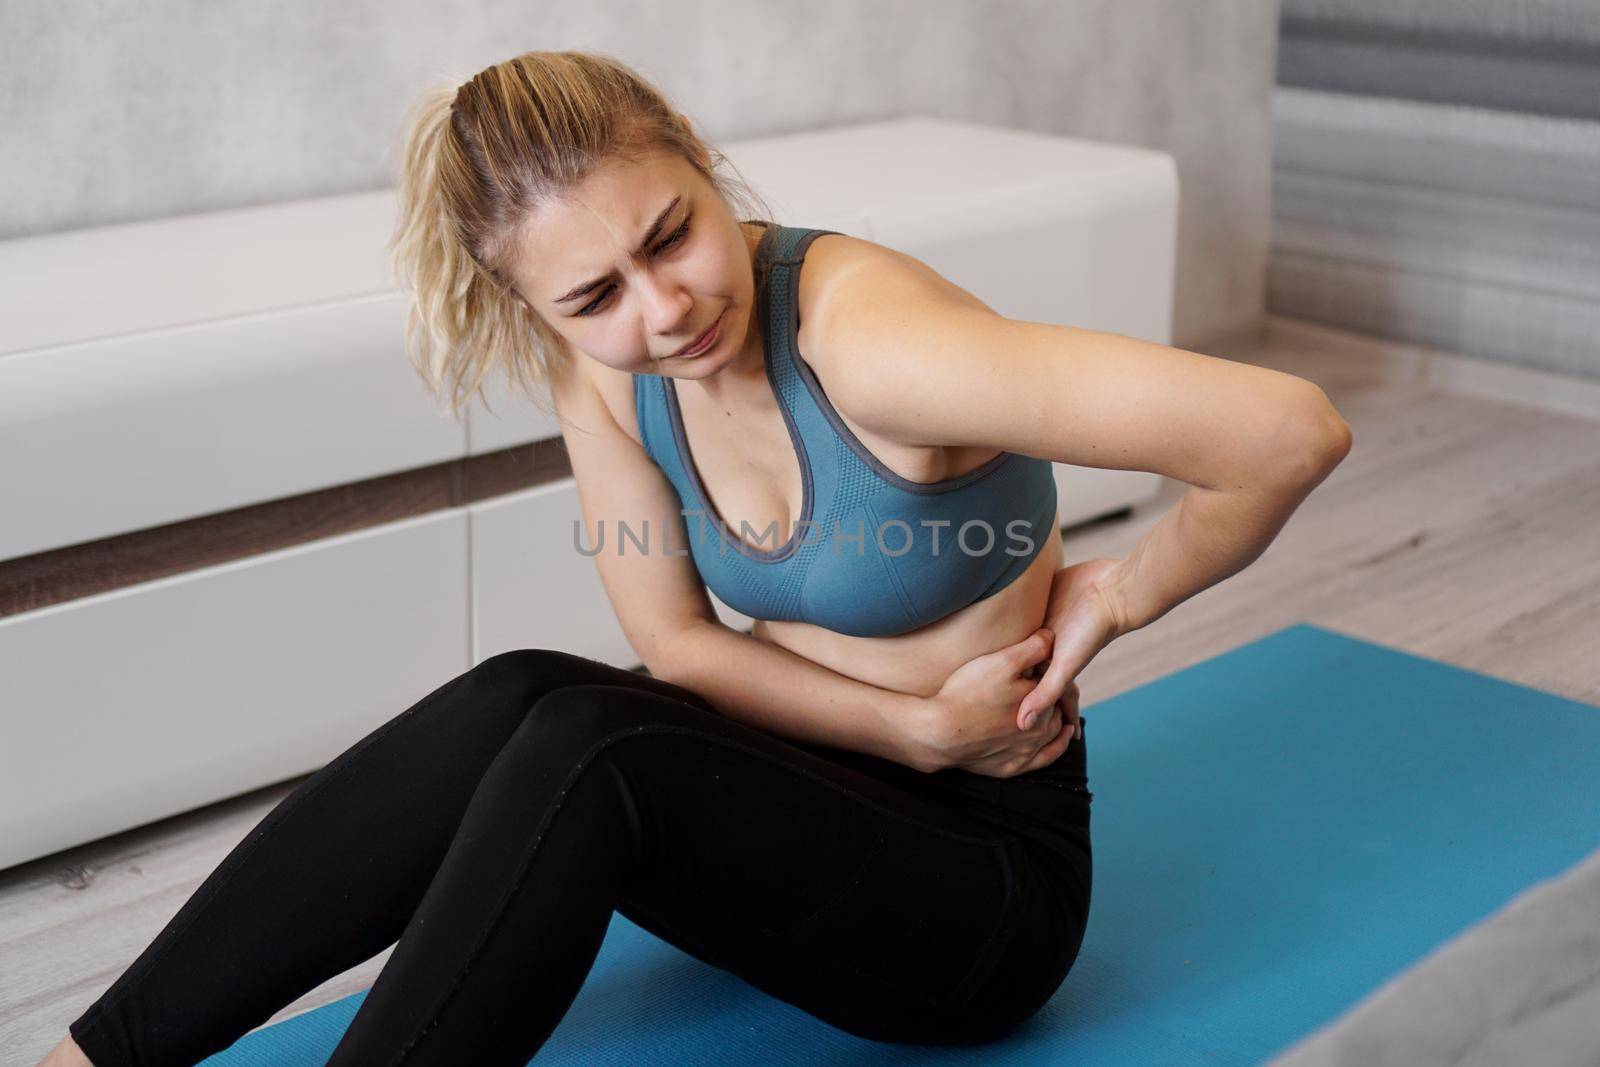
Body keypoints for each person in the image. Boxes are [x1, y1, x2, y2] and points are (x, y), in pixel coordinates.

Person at [41, 49, 1350, 1067]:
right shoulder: (606, 374)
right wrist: (911, 734)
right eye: (593, 295)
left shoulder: (878, 345)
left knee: (595, 753)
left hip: (987, 894)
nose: (662, 311)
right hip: (840, 785)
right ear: (537, 306)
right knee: (516, 697)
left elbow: (1287, 432)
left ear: (704, 165)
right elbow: (678, 646)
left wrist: (1120, 590)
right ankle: (95, 1053)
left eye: (668, 234)